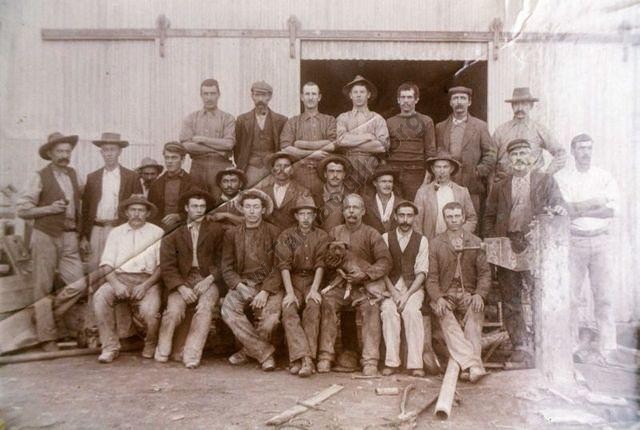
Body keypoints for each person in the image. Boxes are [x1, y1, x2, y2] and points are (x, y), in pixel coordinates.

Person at [483, 138, 566, 367]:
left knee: (539, 295)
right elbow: (489, 217)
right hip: (508, 245)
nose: (519, 158)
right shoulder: (500, 185)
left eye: (523, 153)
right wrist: (493, 244)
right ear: (509, 160)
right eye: (515, 154)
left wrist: (559, 207)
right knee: (511, 299)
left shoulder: (546, 180)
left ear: (532, 157)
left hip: (535, 244)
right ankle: (519, 345)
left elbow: (559, 202)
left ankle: (541, 343)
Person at [16, 132, 87, 351]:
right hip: (45, 234)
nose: (65, 155)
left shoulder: (74, 175)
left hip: (69, 236)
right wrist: (49, 209)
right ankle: (47, 338)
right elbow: (22, 210)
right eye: (60, 151)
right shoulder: (39, 176)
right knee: (43, 287)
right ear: (50, 153)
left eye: (67, 151)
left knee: (79, 284)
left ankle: (45, 317)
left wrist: (82, 234)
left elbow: (80, 205)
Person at [555, 134, 619, 362]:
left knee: (604, 296)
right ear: (573, 151)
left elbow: (611, 210)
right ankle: (571, 346)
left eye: (589, 148)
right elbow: (567, 208)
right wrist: (595, 202)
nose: (586, 153)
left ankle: (608, 347)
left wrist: (581, 208)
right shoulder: (563, 178)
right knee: (572, 296)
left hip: (601, 240)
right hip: (575, 240)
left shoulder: (604, 176)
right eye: (581, 148)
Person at [317, 194, 392, 376]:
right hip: (339, 285)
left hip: (363, 288)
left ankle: (370, 360)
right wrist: (335, 265)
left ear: (363, 211)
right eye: (348, 208)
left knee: (371, 307)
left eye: (356, 207)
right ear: (342, 211)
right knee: (327, 302)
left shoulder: (371, 233)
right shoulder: (334, 232)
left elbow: (385, 261)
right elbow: (323, 258)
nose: (351, 211)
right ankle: (325, 357)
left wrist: (365, 275)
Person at [80, 132, 142, 344]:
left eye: (112, 150)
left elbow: (138, 208)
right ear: (101, 152)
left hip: (120, 230)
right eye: (105, 150)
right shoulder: (93, 177)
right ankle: (93, 330)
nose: (109, 154)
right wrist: (84, 236)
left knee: (120, 276)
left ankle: (124, 332)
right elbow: (86, 208)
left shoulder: (132, 177)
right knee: (96, 278)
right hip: (97, 229)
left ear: (120, 152)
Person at [156, 189, 224, 368]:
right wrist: (181, 287)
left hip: (207, 278)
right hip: (182, 279)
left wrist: (209, 279)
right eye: (195, 206)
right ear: (186, 208)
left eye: (202, 207)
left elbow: (224, 261)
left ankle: (191, 354)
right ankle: (163, 349)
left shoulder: (216, 230)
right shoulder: (174, 232)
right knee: (174, 310)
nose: (199, 210)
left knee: (205, 308)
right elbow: (167, 265)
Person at [93, 195, 164, 363]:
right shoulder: (116, 233)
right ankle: (110, 347)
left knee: (150, 311)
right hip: (120, 278)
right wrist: (116, 284)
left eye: (141, 210)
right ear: (126, 212)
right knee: (100, 297)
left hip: (147, 280)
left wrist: (145, 286)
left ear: (147, 213)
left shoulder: (157, 232)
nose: (136, 214)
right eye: (133, 210)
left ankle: (150, 343)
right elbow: (107, 265)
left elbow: (162, 267)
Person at [427, 202, 491, 382]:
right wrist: (438, 298)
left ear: (463, 218)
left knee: (476, 311)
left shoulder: (475, 242)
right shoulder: (436, 243)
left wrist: (479, 294)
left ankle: (466, 365)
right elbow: (431, 278)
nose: (453, 220)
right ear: (444, 218)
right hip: (446, 293)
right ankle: (473, 365)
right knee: (443, 313)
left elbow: (485, 274)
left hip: (468, 293)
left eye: (457, 216)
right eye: (449, 216)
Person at [220, 189, 283, 371]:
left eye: (256, 207)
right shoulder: (232, 234)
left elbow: (280, 265)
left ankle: (248, 351)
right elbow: (227, 267)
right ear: (242, 209)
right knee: (228, 310)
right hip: (243, 283)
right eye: (248, 207)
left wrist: (265, 291)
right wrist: (239, 286)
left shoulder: (274, 232)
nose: (252, 211)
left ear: (263, 210)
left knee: (270, 321)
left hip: (269, 286)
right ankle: (265, 354)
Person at [276, 195, 330, 377]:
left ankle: (305, 360)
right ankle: (302, 358)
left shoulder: (322, 235)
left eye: (309, 214)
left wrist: (314, 289)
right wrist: (290, 293)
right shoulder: (287, 235)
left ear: (314, 216)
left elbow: (321, 264)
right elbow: (284, 265)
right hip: (293, 280)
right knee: (289, 309)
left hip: (314, 279)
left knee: (313, 308)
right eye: (302, 214)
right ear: (296, 216)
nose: (306, 218)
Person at [380, 201, 429, 376]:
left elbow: (422, 273)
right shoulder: (386, 238)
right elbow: (382, 269)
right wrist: (393, 293)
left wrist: (407, 295)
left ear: (414, 218)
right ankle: (392, 362)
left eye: (409, 216)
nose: (405, 220)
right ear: (395, 217)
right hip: (390, 288)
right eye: (402, 215)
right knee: (388, 312)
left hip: (413, 289)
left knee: (412, 313)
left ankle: (416, 364)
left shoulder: (421, 240)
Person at [435, 86, 495, 218]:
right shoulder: (440, 127)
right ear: (451, 102)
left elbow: (490, 154)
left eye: (463, 98)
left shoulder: (480, 126)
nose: (459, 102)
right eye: (455, 98)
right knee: (446, 218)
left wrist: (478, 172)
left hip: (471, 183)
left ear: (469, 102)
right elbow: (438, 154)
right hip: (447, 182)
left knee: (470, 220)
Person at [493, 87, 566, 182]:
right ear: (512, 106)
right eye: (516, 104)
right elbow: (490, 160)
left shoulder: (539, 129)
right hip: (505, 185)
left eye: (524, 104)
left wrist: (546, 175)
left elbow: (560, 153)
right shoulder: (500, 131)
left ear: (531, 105)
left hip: (532, 185)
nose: (520, 108)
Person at [179, 78, 235, 195]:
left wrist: (203, 140)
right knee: (197, 201)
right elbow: (186, 146)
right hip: (197, 167)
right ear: (201, 95)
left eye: (213, 93)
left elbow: (229, 144)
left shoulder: (228, 118)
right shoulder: (191, 118)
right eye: (206, 94)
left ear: (219, 95)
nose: (209, 98)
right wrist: (218, 149)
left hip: (220, 166)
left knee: (219, 202)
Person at [280, 82, 337, 196]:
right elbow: (285, 148)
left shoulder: (329, 120)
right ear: (302, 97)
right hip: (299, 173)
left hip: (323, 173)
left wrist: (299, 143)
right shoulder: (293, 122)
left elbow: (332, 144)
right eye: (307, 94)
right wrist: (311, 154)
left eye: (313, 94)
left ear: (319, 97)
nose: (310, 98)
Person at [336, 75, 389, 192]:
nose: (358, 95)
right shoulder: (343, 118)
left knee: (370, 200)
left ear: (368, 95)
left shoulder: (377, 119)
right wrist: (368, 137)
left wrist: (351, 142)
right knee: (350, 202)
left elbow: (381, 147)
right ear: (350, 95)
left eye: (362, 92)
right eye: (355, 92)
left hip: (372, 166)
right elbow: (340, 141)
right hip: (348, 165)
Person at [386, 82, 436, 199]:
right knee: (394, 207)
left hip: (416, 172)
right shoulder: (389, 122)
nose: (406, 101)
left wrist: (427, 179)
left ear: (416, 100)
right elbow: (385, 151)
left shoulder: (426, 121)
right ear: (398, 100)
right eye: (403, 97)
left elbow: (431, 152)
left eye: (409, 97)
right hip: (393, 171)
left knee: (413, 208)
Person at [234, 81, 288, 187]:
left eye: (263, 95)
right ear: (252, 96)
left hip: (273, 169)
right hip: (250, 168)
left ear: (269, 96)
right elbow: (237, 148)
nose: (260, 99)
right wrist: (245, 164)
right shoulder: (242, 120)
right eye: (257, 95)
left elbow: (283, 147)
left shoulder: (281, 120)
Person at [413, 150, 477, 239]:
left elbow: (472, 219)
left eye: (445, 167)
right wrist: (422, 243)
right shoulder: (423, 193)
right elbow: (416, 222)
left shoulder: (462, 192)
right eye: (438, 167)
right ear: (432, 169)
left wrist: (460, 234)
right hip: (431, 242)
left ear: (451, 169)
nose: (442, 171)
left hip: (457, 243)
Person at [257, 152, 312, 231]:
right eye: (278, 166)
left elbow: (307, 219)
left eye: (286, 166)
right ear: (272, 170)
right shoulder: (263, 192)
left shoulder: (303, 191)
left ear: (292, 170)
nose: (282, 170)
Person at [147, 142, 194, 229]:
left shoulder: (193, 182)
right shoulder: (156, 184)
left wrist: (180, 216)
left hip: (186, 228)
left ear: (183, 160)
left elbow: (201, 210)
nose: (169, 161)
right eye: (167, 158)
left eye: (174, 157)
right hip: (161, 229)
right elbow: (151, 212)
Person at [313, 155, 354, 231]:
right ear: (325, 174)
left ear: (344, 175)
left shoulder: (352, 196)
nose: (335, 175)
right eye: (331, 171)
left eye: (339, 171)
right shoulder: (314, 196)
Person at [362, 166, 401, 234]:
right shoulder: (367, 204)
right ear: (375, 183)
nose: (387, 185)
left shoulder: (401, 203)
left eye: (390, 181)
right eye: (383, 181)